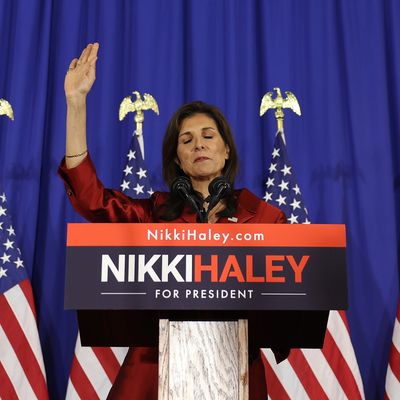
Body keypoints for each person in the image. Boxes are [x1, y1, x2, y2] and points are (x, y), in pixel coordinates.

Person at [59, 43, 288, 399]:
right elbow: (92, 200)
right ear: (178, 160)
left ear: (226, 151)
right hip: (157, 369)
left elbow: (290, 297)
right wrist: (76, 104)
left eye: (208, 136)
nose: (199, 145)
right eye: (187, 140)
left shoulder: (266, 218)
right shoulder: (154, 214)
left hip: (233, 366)